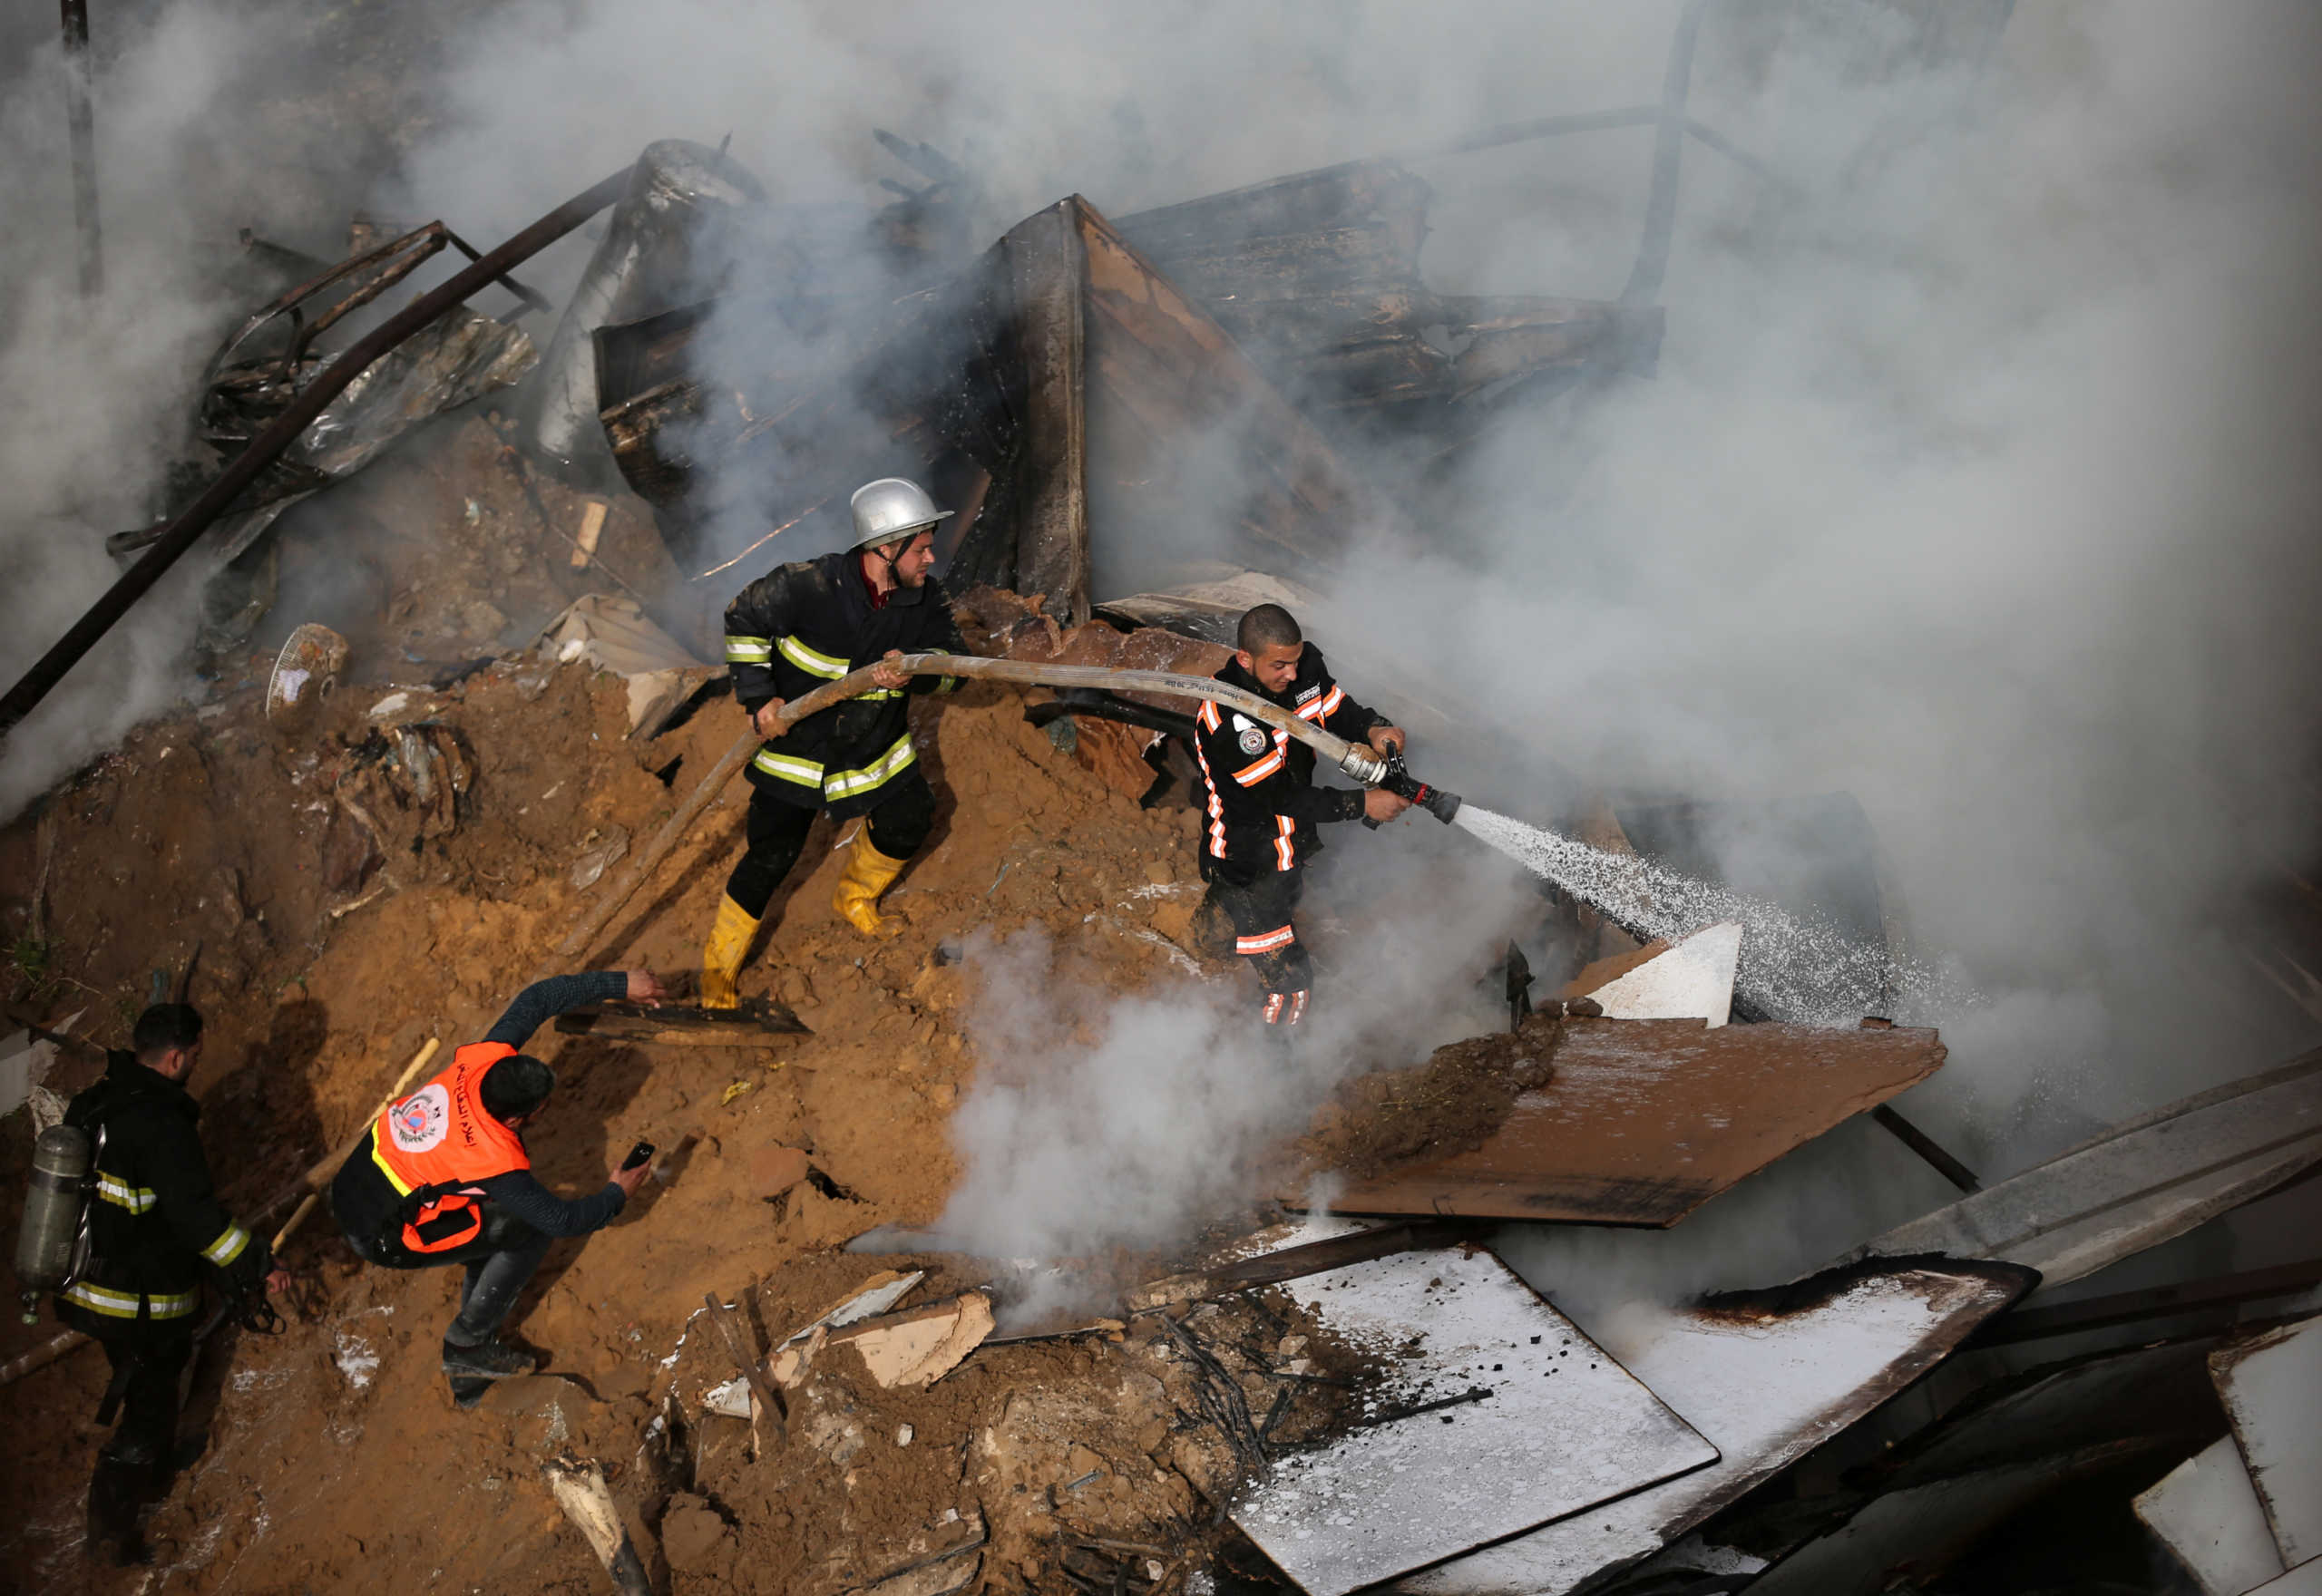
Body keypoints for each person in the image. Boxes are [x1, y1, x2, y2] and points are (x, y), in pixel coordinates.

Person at [329, 968, 664, 1406]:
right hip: (381, 1232)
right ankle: (467, 1346)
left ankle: (477, 1298)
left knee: (492, 1219)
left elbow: (540, 997)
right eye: (543, 1109)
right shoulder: (490, 1158)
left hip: (355, 1179)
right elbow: (562, 1220)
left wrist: (621, 984)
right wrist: (615, 1195)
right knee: (527, 1230)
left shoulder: (480, 1061)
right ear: (514, 1120)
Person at [701, 476, 967, 1005]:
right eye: (921, 547)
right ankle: (716, 974)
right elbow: (743, 617)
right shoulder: (809, 586)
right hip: (795, 754)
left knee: (910, 816)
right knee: (770, 858)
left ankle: (855, 899)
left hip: (874, 752)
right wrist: (759, 700)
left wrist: (917, 672)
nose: (931, 557)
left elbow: (954, 670)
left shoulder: (924, 600)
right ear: (884, 548)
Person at [57, 1002, 288, 1566]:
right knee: (147, 1409)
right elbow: (197, 1221)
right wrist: (258, 1263)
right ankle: (110, 1538)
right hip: (139, 1302)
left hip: (86, 1284)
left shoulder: (94, 1102)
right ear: (178, 1056)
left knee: (144, 1384)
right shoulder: (162, 1124)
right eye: (196, 1057)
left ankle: (156, 1469)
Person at [1191, 603, 1409, 1028]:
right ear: (1245, 660)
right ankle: (1276, 1067)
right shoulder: (1228, 719)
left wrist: (1373, 728)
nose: (1291, 674)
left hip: (1290, 847)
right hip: (1247, 862)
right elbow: (1281, 798)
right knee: (1290, 984)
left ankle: (1214, 938)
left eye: (1294, 661)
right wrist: (1364, 804)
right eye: (1278, 666)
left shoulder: (1302, 667)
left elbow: (1333, 706)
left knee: (1275, 907)